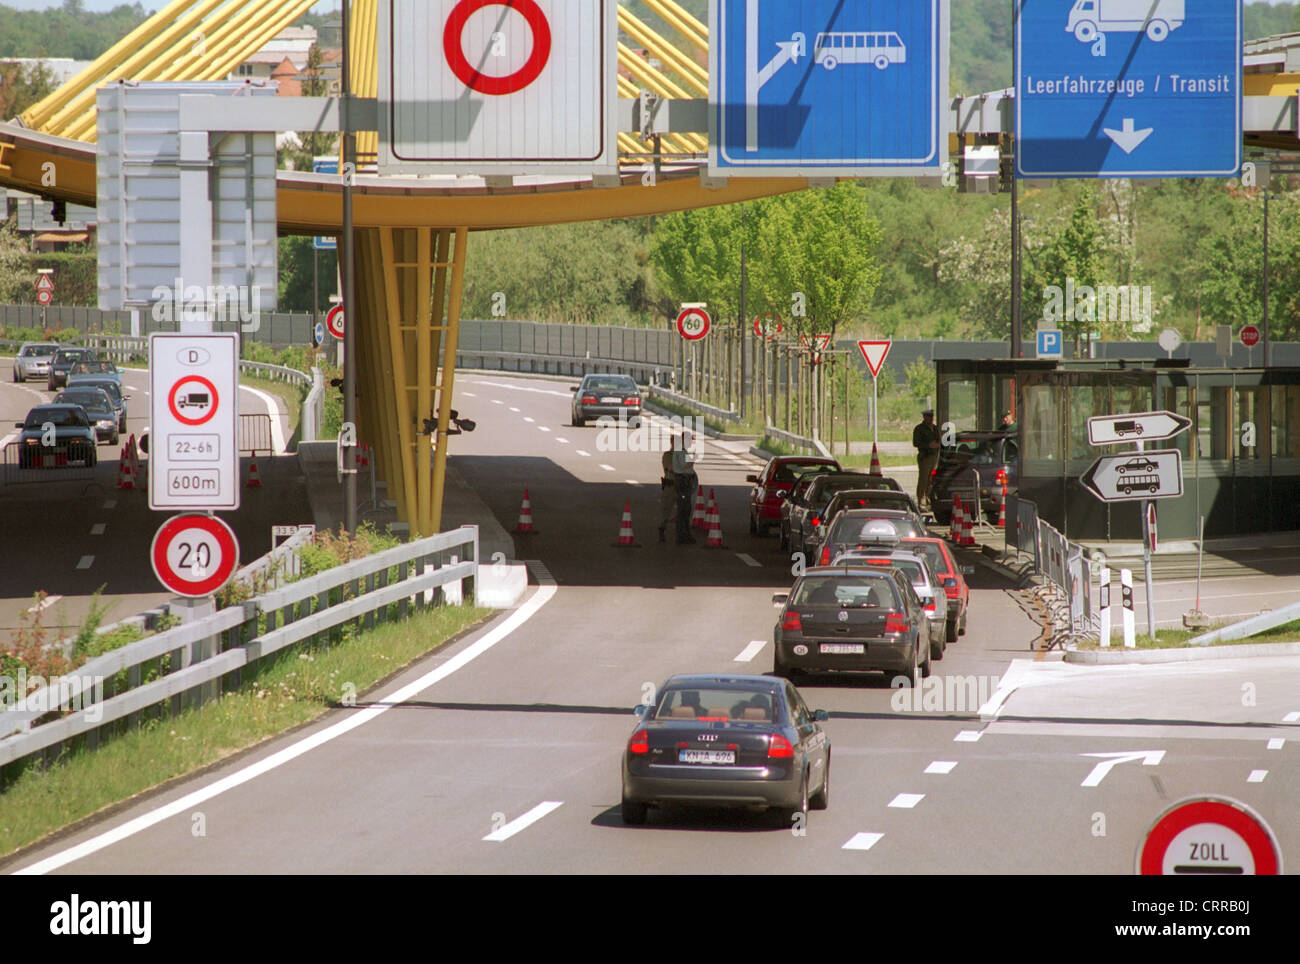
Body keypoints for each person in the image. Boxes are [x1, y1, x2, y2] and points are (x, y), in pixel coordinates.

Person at [671, 430, 699, 544]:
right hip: (683, 482)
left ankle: (684, 534)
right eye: (690, 440)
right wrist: (694, 459)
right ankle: (682, 535)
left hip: (683, 481)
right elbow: (685, 465)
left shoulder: (682, 450)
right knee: (683, 510)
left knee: (685, 509)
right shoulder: (681, 451)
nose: (691, 443)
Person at [912, 408, 941, 510]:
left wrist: (937, 444)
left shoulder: (935, 428)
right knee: (923, 479)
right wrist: (928, 445)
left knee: (931, 479)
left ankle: (928, 498)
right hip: (925, 456)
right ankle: (921, 499)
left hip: (934, 456)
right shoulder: (919, 429)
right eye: (929, 416)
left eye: (932, 416)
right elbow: (916, 443)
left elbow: (939, 439)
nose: (931, 418)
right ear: (925, 417)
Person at [658, 445, 676, 542]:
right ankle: (662, 529)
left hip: (682, 486)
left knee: (684, 510)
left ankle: (683, 532)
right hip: (671, 486)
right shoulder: (668, 455)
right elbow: (671, 468)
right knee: (666, 509)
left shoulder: (683, 454)